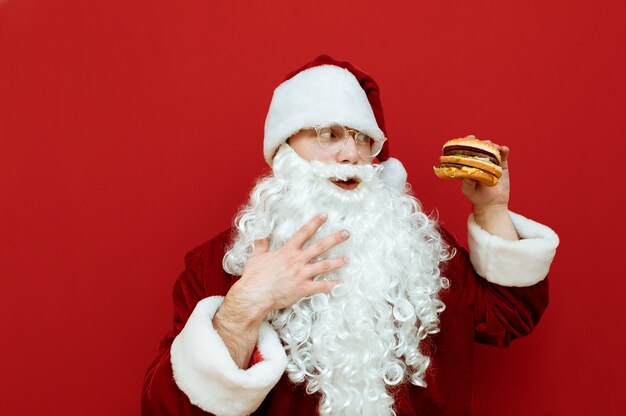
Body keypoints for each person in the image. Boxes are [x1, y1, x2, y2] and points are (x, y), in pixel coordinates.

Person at [141, 55, 559, 416]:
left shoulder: (417, 250)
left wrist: (492, 208)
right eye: (329, 134)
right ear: (284, 149)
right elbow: (167, 410)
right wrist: (245, 308)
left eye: (363, 139)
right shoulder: (219, 267)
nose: (350, 154)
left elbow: (507, 316)